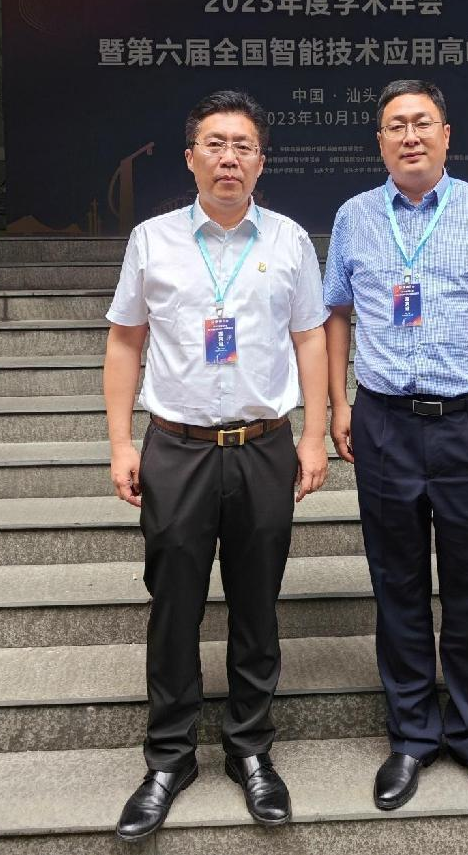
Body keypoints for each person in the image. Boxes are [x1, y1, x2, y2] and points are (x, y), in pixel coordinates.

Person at [104, 90, 328, 842]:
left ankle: (250, 749)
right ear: (191, 156)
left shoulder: (290, 241)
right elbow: (125, 341)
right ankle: (168, 758)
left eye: (243, 145)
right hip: (177, 447)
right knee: (174, 605)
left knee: (258, 603)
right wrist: (121, 442)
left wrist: (314, 435)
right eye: (215, 143)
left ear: (261, 161)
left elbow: (310, 339)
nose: (229, 157)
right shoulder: (152, 240)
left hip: (264, 444)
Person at [323, 79, 468, 813]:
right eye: (395, 126)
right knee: (396, 583)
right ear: (380, 141)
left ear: (446, 134)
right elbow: (336, 315)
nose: (410, 135)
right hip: (384, 420)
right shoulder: (354, 217)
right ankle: (412, 734)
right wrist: (339, 404)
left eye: (422, 122)